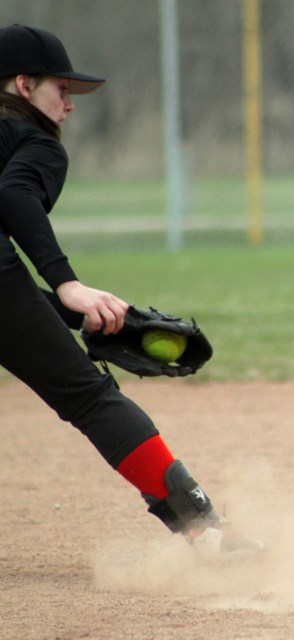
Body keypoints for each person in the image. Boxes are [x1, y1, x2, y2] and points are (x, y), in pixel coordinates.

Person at [0, 24, 260, 555]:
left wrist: (69, 316)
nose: (69, 105)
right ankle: (205, 530)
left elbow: (12, 309)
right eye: (61, 89)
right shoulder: (33, 141)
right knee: (91, 398)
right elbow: (14, 194)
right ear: (23, 87)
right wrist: (67, 286)